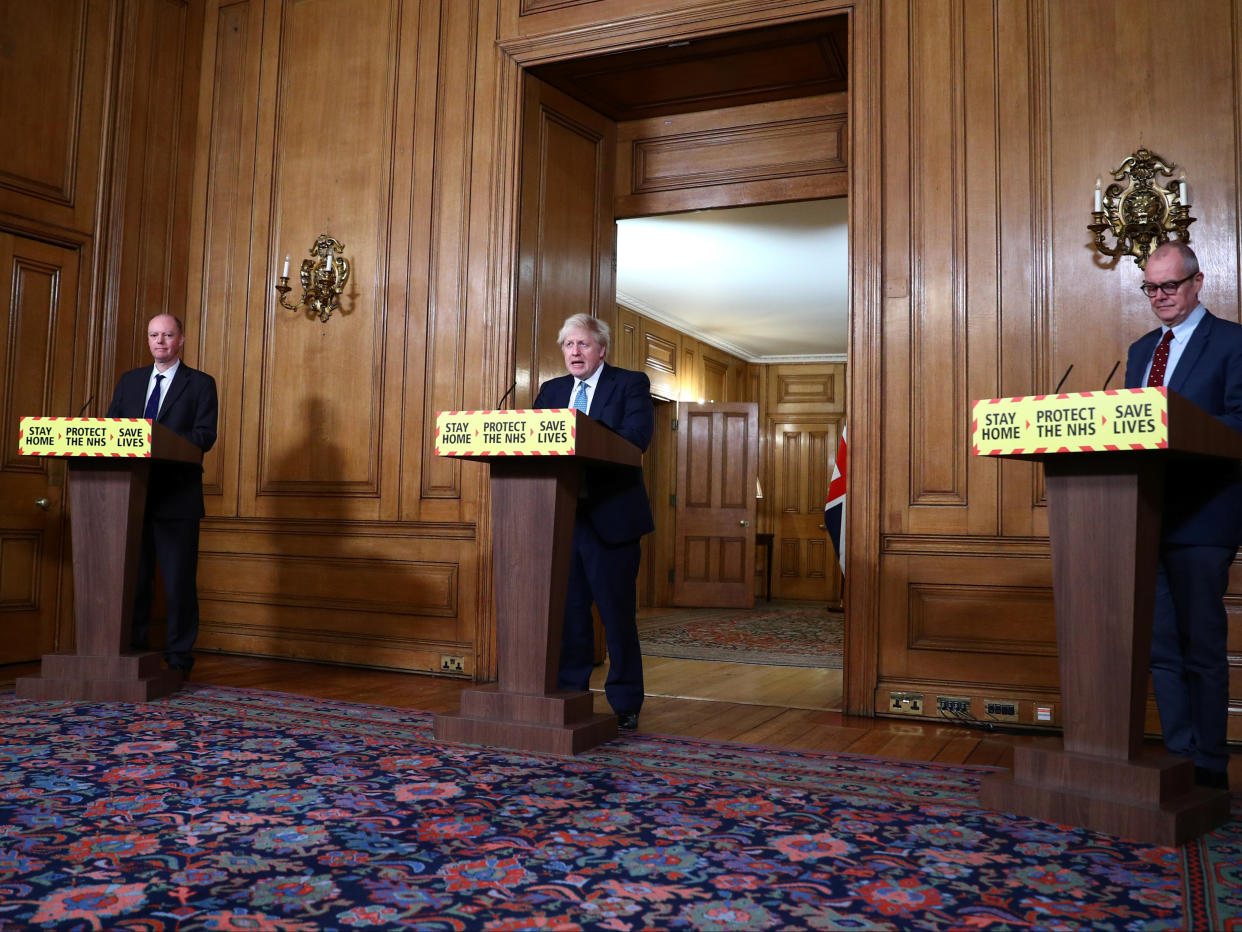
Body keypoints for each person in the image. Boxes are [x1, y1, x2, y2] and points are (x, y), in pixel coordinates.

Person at [1124, 240, 1242, 789]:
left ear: (1198, 282)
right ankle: (1179, 755)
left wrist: (1180, 426)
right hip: (1144, 516)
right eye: (1151, 287)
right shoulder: (1141, 349)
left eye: (1169, 285)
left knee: (1201, 645)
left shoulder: (1233, 343)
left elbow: (1239, 423)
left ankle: (1210, 767)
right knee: (1160, 646)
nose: (1160, 297)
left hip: (1204, 518)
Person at [533, 313, 655, 730]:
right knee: (569, 615)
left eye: (583, 344)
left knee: (617, 616)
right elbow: (534, 442)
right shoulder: (551, 390)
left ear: (601, 349)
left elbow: (635, 438)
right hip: (562, 519)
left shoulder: (629, 383)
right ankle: (571, 694)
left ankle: (625, 704)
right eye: (568, 345)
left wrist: (579, 430)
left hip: (612, 519)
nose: (574, 352)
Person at [106, 314, 218, 677]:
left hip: (177, 498)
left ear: (181, 339)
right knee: (133, 581)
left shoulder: (200, 384)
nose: (160, 341)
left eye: (168, 335)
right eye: (154, 335)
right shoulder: (130, 381)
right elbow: (111, 429)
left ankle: (179, 659)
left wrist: (161, 442)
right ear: (148, 339)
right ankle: (134, 652)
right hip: (130, 497)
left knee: (178, 582)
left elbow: (204, 436)